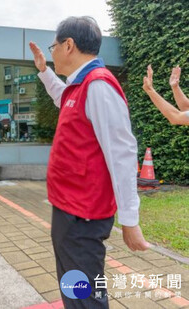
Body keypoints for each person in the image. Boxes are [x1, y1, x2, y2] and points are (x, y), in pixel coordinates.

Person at [29, 16, 149, 308]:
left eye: (54, 46)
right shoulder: (79, 86)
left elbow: (121, 154)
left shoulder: (99, 86)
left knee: (84, 296)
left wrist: (130, 220)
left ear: (69, 45)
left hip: (83, 216)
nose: (53, 51)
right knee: (74, 289)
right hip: (70, 211)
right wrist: (44, 71)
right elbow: (63, 97)